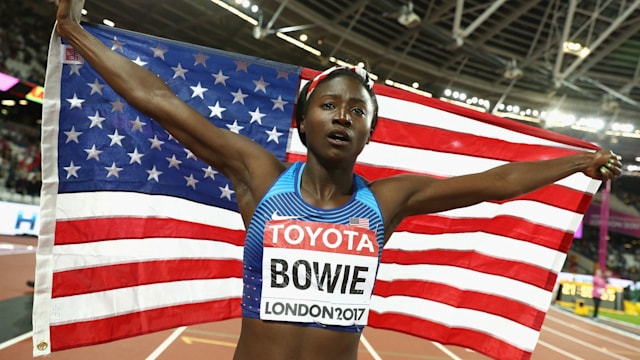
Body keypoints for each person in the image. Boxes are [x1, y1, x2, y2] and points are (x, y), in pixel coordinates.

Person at [54, 1, 623, 359]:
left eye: (357, 111)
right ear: (302, 121)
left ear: (369, 135)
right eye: (329, 105)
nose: (342, 116)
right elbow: (161, 101)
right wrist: (77, 35)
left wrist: (575, 162)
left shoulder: (389, 200)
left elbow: (494, 183)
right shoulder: (259, 175)